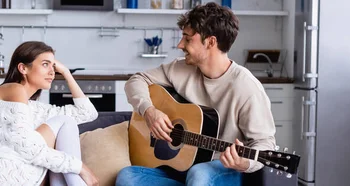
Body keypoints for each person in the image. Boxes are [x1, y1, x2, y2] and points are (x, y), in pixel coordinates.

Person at [116, 2, 276, 186]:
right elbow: (136, 80)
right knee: (127, 176)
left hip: (219, 170)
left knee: (199, 174)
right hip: (179, 167)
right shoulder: (179, 68)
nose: (179, 44)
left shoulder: (247, 87)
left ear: (211, 42)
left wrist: (244, 162)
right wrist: (149, 111)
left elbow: (265, 143)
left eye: (187, 38)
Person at [0, 41, 100, 186]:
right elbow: (27, 147)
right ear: (23, 68)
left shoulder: (33, 107)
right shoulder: (13, 90)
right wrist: (80, 168)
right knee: (64, 123)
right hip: (0, 176)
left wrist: (66, 72)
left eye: (54, 66)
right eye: (45, 64)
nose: (52, 72)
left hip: (15, 171)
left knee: (65, 121)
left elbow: (88, 113)